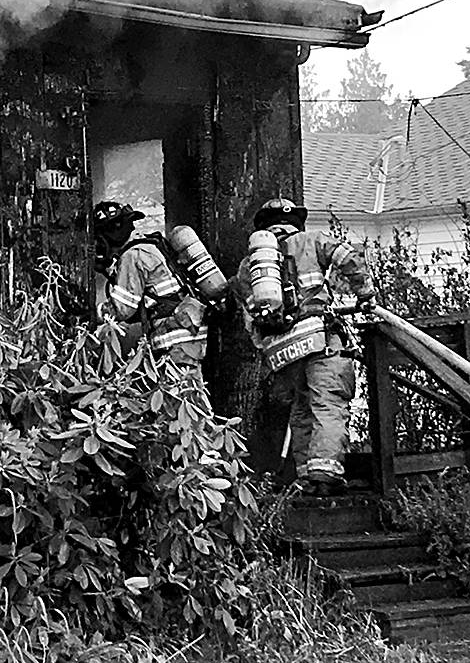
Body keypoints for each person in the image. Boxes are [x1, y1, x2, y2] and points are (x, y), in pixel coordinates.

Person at [233, 198, 374, 494]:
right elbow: (349, 258)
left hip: (283, 350)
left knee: (301, 408)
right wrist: (365, 294)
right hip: (319, 339)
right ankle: (326, 474)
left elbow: (251, 317)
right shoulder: (312, 240)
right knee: (328, 403)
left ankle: (306, 477)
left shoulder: (250, 266)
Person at [90, 200, 212, 410]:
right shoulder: (151, 246)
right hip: (188, 331)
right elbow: (147, 301)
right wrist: (111, 272)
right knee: (186, 396)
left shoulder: (133, 256)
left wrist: (92, 314)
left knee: (182, 404)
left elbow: (123, 309)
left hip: (175, 339)